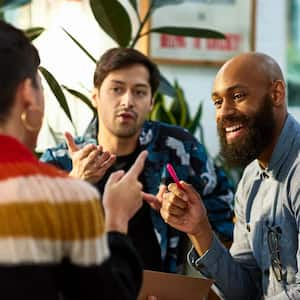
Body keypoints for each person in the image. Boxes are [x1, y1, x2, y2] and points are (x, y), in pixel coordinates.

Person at [41, 47, 235, 273]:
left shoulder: (179, 148)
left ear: (152, 102)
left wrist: (187, 213)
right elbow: (27, 239)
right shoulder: (61, 160)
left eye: (139, 92)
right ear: (95, 97)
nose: (127, 101)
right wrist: (74, 183)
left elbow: (227, 211)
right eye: (116, 89)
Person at [0, 20, 147, 300]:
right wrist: (116, 218)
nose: (127, 101)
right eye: (41, 88)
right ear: (28, 96)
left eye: (139, 91)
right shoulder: (70, 196)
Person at [159, 52, 300, 299]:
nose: (224, 113)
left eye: (237, 96)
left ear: (276, 94)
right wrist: (200, 229)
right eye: (217, 102)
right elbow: (244, 291)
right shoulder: (250, 179)